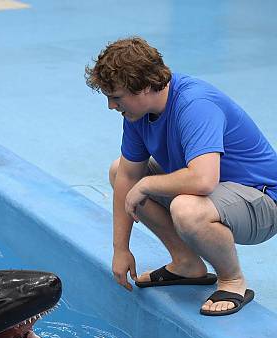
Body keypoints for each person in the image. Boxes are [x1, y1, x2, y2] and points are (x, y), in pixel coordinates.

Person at [85, 36, 277, 316]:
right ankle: (187, 263)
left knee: (186, 209)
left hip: (262, 201)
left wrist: (148, 184)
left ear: (144, 87)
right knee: (119, 171)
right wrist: (120, 249)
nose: (111, 106)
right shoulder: (137, 116)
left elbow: (203, 180)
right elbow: (127, 175)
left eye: (115, 97)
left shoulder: (194, 104)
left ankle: (233, 280)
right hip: (221, 192)